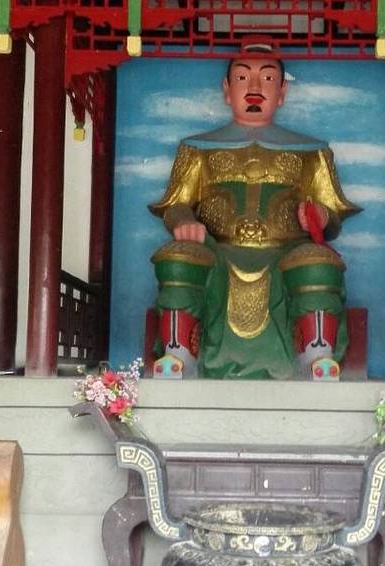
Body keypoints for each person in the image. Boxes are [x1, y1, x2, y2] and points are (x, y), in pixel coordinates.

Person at [149, 43, 360, 380]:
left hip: (287, 252)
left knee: (317, 261)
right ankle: (179, 354)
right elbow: (174, 205)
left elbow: (333, 218)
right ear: (226, 89)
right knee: (178, 255)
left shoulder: (313, 152)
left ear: (282, 92)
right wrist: (184, 221)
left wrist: (321, 216)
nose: (255, 87)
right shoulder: (196, 149)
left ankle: (315, 356)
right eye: (242, 77)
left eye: (268, 78)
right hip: (217, 252)